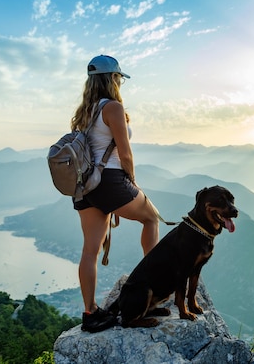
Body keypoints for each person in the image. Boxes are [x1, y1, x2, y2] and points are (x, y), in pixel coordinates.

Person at [71, 55, 160, 332]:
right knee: (152, 219)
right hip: (110, 180)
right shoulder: (113, 107)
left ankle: (90, 312)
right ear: (112, 79)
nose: (120, 82)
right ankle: (153, 290)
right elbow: (125, 152)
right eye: (119, 77)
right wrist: (132, 182)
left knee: (90, 250)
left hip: (84, 186)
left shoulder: (83, 112)